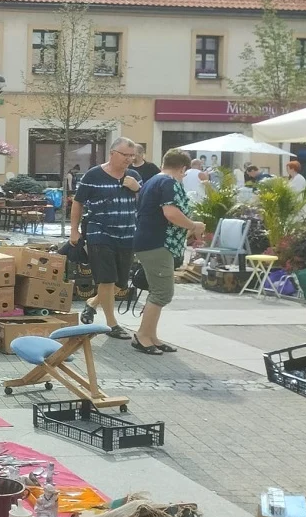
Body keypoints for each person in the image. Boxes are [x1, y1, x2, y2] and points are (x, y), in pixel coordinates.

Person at [131, 150, 206, 355]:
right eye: (184, 173)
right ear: (182, 168)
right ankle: (142, 336)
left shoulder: (153, 180)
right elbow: (171, 213)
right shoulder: (169, 183)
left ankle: (151, 336)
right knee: (162, 292)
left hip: (150, 242)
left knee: (158, 290)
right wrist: (194, 225)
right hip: (158, 243)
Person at [71, 136, 142, 340]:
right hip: (99, 232)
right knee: (106, 279)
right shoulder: (93, 175)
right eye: (125, 155)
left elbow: (144, 204)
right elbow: (78, 203)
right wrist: (74, 230)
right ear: (112, 153)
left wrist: (137, 189)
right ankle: (112, 324)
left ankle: (92, 303)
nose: (129, 159)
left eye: (132, 156)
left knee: (120, 283)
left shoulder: (134, 176)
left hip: (127, 234)